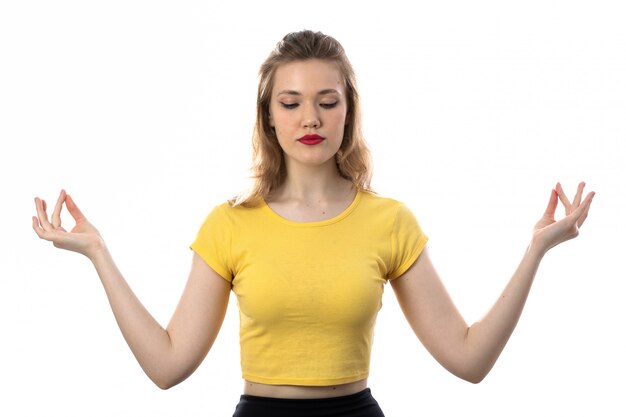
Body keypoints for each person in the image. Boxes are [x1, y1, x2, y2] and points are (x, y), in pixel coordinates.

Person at [32, 30, 595, 417]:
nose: (310, 118)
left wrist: (536, 252)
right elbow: (167, 365)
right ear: (268, 116)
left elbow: (469, 360)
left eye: (327, 101)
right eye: (291, 102)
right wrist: (98, 252)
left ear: (348, 111)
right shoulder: (230, 224)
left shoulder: (390, 221)